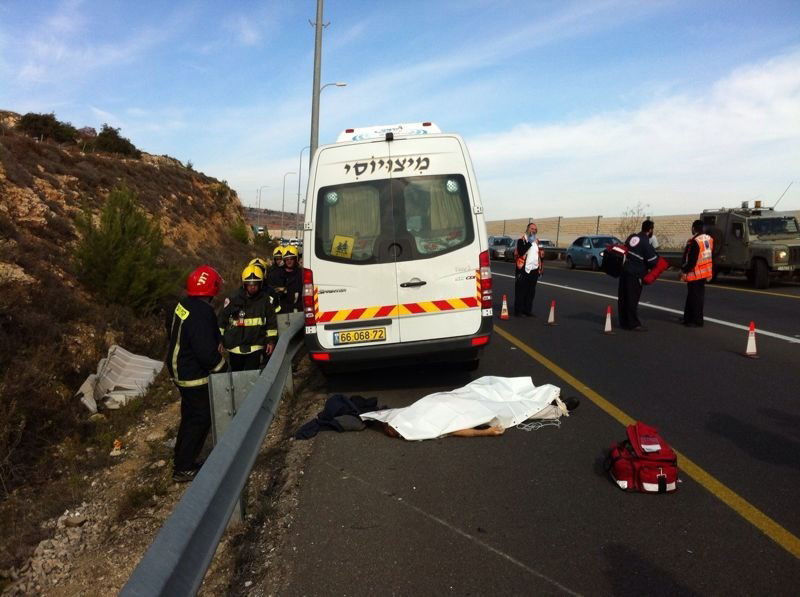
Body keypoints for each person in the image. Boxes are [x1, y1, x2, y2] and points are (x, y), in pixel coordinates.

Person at [166, 265, 228, 483]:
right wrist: (222, 367)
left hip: (178, 368)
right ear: (212, 288)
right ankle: (183, 467)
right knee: (200, 419)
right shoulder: (203, 312)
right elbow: (205, 351)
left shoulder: (183, 305)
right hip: (193, 374)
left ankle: (182, 460)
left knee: (189, 416)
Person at [218, 264, 278, 371]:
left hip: (255, 346)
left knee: (252, 376)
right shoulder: (233, 298)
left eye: (255, 284)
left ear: (261, 284)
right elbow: (222, 320)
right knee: (237, 375)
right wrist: (220, 340)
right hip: (235, 347)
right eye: (249, 284)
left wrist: (270, 341)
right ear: (244, 284)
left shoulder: (266, 300)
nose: (252, 286)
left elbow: (271, 323)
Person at [618, 220, 658, 330]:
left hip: (624, 271)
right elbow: (653, 262)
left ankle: (623, 321)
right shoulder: (646, 243)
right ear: (650, 230)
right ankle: (633, 324)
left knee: (623, 297)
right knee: (632, 299)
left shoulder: (632, 237)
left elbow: (625, 248)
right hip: (635, 275)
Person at [680, 219, 714, 327]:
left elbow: (691, 261)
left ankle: (696, 320)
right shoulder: (709, 239)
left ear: (694, 228)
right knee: (695, 297)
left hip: (695, 273)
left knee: (694, 298)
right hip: (705, 272)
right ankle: (688, 318)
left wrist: (683, 271)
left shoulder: (694, 241)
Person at [513, 222, 544, 317]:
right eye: (532, 228)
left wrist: (541, 269)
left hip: (534, 270)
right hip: (523, 269)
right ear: (527, 229)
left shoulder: (537, 241)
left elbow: (541, 255)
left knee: (531, 292)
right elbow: (521, 252)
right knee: (521, 291)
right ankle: (518, 311)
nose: (533, 230)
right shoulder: (521, 240)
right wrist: (529, 242)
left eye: (535, 229)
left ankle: (527, 310)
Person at [274, 245, 303, 314]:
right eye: (287, 259)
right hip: (282, 311)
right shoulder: (277, 273)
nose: (289, 261)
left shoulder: (301, 273)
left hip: (298, 310)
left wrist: (286, 290)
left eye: (291, 259)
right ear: (284, 260)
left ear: (296, 259)